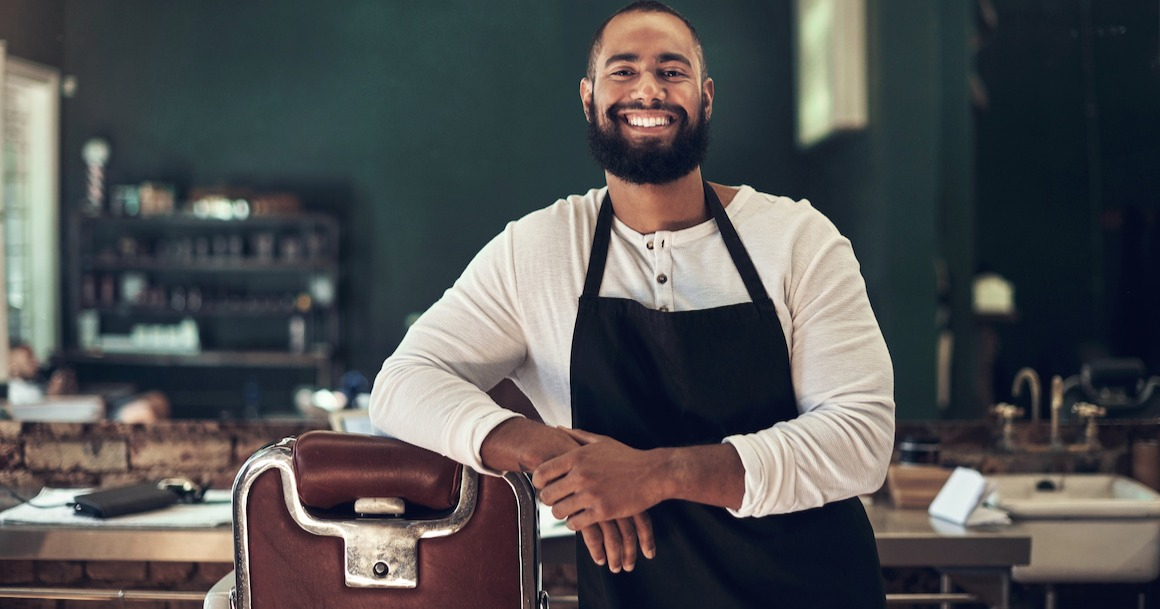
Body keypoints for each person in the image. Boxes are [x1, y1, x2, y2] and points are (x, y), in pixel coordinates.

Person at [370, 2, 895, 607]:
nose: (648, 89)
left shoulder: (798, 240)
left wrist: (655, 474)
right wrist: (542, 449)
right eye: (624, 71)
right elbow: (402, 383)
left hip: (810, 589)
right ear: (588, 97)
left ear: (706, 97)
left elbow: (861, 439)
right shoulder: (539, 249)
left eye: (672, 71)